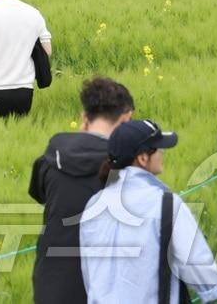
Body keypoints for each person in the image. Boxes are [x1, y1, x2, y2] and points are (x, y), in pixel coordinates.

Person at [80, 120, 217, 304]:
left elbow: (90, 273)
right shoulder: (165, 204)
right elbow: (194, 260)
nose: (163, 153)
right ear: (143, 158)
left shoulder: (94, 205)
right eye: (159, 148)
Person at [28, 77, 136, 304]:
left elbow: (40, 194)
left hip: (51, 281)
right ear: (126, 119)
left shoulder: (50, 158)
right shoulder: (128, 167)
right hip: (107, 285)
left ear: (84, 117)